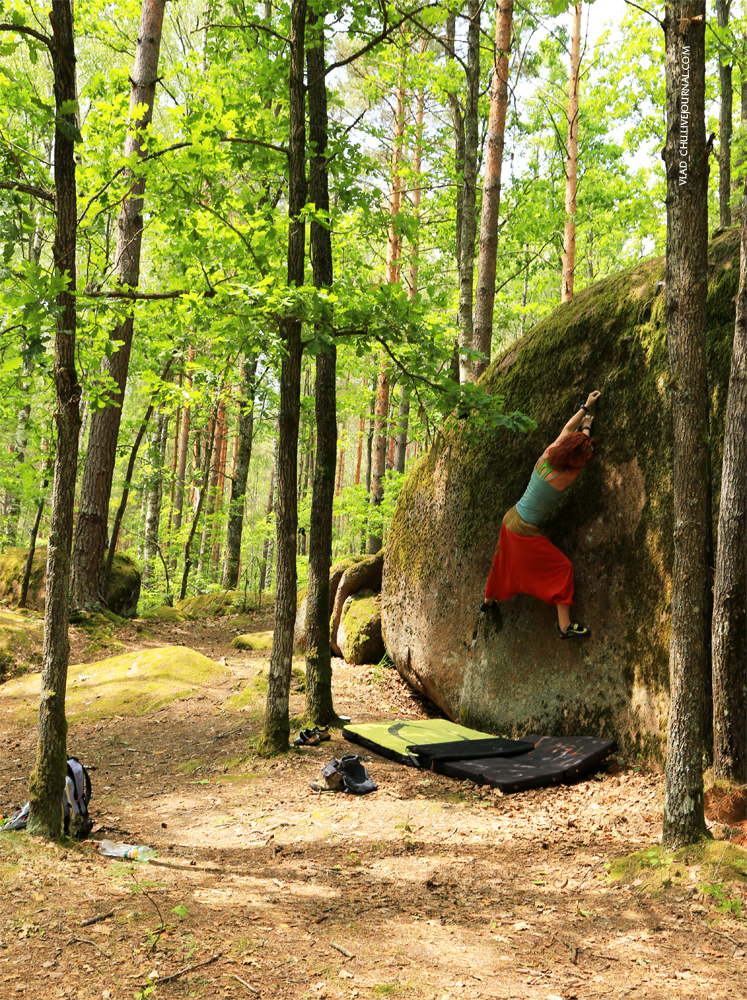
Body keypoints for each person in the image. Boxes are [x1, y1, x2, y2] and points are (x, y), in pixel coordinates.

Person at [480, 390, 601, 639]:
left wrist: (585, 408)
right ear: (574, 461)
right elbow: (583, 456)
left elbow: (568, 429)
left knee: (502, 562)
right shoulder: (567, 476)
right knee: (563, 569)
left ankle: (488, 600)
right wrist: (588, 430)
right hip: (522, 529)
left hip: (511, 517)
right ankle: (565, 626)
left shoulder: (548, 454)